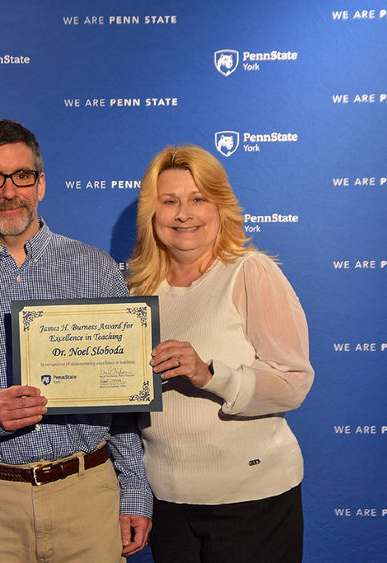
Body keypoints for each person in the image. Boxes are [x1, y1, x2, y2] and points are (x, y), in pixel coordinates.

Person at [0, 119, 152, 561]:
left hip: (87, 494)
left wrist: (133, 488)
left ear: (41, 185)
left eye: (22, 176)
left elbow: (125, 397)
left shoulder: (96, 271)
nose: (9, 191)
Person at [126, 144, 314, 562]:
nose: (183, 214)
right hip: (168, 503)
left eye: (198, 199)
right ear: (152, 213)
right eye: (169, 201)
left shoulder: (250, 271)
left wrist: (211, 375)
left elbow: (293, 383)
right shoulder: (135, 290)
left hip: (252, 501)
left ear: (220, 207)